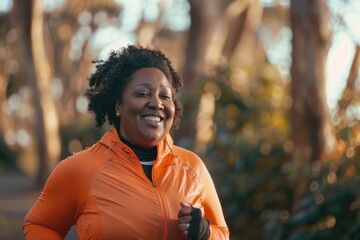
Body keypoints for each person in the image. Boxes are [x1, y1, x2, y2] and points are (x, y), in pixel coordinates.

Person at [23, 44, 229, 240]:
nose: (156, 103)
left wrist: (204, 233)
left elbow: (222, 233)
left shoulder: (192, 167)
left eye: (165, 96)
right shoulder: (81, 169)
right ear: (119, 106)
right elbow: (40, 225)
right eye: (142, 93)